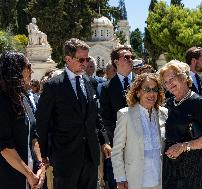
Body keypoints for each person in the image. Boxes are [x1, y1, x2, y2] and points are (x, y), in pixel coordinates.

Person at [36, 38, 111, 189]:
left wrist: (104, 141)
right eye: (81, 59)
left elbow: (95, 115)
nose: (85, 63)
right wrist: (44, 153)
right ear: (68, 59)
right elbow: (42, 122)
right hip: (65, 157)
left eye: (87, 59)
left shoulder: (88, 82)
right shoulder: (53, 86)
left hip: (90, 155)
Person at [158, 60, 202, 189]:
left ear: (183, 77)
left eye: (171, 79)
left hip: (196, 164)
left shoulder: (198, 103)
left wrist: (184, 146)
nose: (169, 84)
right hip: (172, 165)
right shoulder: (168, 104)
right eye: (166, 82)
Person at [111, 73, 168, 189]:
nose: (152, 94)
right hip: (135, 180)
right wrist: (120, 178)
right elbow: (117, 150)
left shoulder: (164, 113)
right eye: (147, 89)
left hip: (160, 179)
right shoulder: (125, 114)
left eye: (155, 89)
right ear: (137, 92)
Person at [0, 51, 46, 189]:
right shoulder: (2, 101)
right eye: (28, 66)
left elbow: (34, 136)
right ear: (16, 70)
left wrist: (40, 167)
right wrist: (29, 175)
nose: (31, 71)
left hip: (32, 177)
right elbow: (5, 147)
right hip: (9, 179)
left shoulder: (23, 97)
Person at [100, 45, 135, 189]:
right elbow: (105, 118)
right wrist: (115, 140)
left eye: (131, 57)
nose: (130, 59)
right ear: (116, 62)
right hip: (119, 145)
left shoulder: (142, 83)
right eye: (126, 57)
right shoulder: (107, 88)